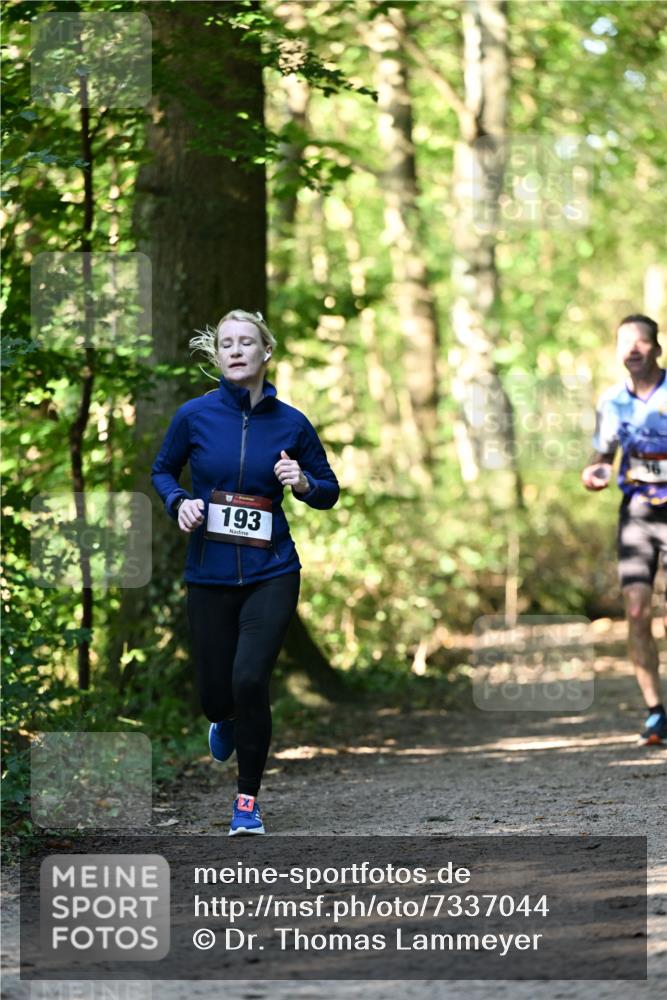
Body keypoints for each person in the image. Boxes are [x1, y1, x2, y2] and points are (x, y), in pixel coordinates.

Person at [151, 309, 340, 833]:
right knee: (217, 693)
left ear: (265, 353)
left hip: (272, 571)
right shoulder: (194, 416)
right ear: (218, 357)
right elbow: (163, 470)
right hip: (208, 576)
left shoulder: (291, 423)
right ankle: (224, 717)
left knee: (250, 678)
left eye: (246, 342)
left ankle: (246, 804)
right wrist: (178, 503)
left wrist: (301, 482)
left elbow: (329, 490)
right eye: (226, 344)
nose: (235, 350)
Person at [581, 313, 667, 745]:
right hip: (636, 515)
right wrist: (594, 472)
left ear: (656, 348)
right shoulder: (612, 402)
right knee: (636, 612)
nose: (631, 349)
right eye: (624, 343)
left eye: (640, 342)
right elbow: (602, 455)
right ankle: (656, 713)